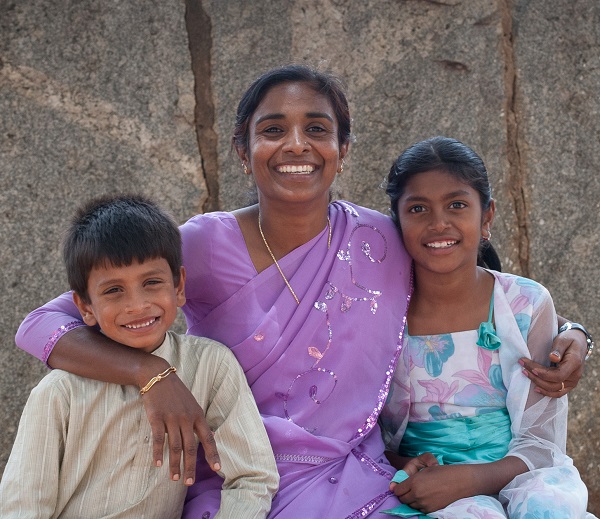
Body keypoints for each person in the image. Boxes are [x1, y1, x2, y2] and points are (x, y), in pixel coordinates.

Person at [14, 65, 590, 518]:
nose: (296, 144)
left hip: (358, 480)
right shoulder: (202, 245)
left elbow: (465, 273)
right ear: (244, 150)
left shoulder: (380, 240)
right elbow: (42, 326)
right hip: (237, 479)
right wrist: (153, 375)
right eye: (273, 130)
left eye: (317, 128)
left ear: (342, 149)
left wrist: (572, 335)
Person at [1, 195, 278, 518]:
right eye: (113, 290)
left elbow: (253, 477)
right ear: (85, 307)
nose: (137, 305)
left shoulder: (210, 366)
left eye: (152, 282)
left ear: (179, 287)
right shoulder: (60, 393)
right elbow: (22, 507)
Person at [380, 136, 594, 518]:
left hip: (524, 471)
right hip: (425, 478)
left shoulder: (525, 304)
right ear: (396, 221)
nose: (439, 222)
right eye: (417, 208)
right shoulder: (378, 311)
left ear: (487, 217)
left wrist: (471, 478)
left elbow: (542, 441)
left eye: (457, 204)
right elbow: (363, 427)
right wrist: (409, 467)